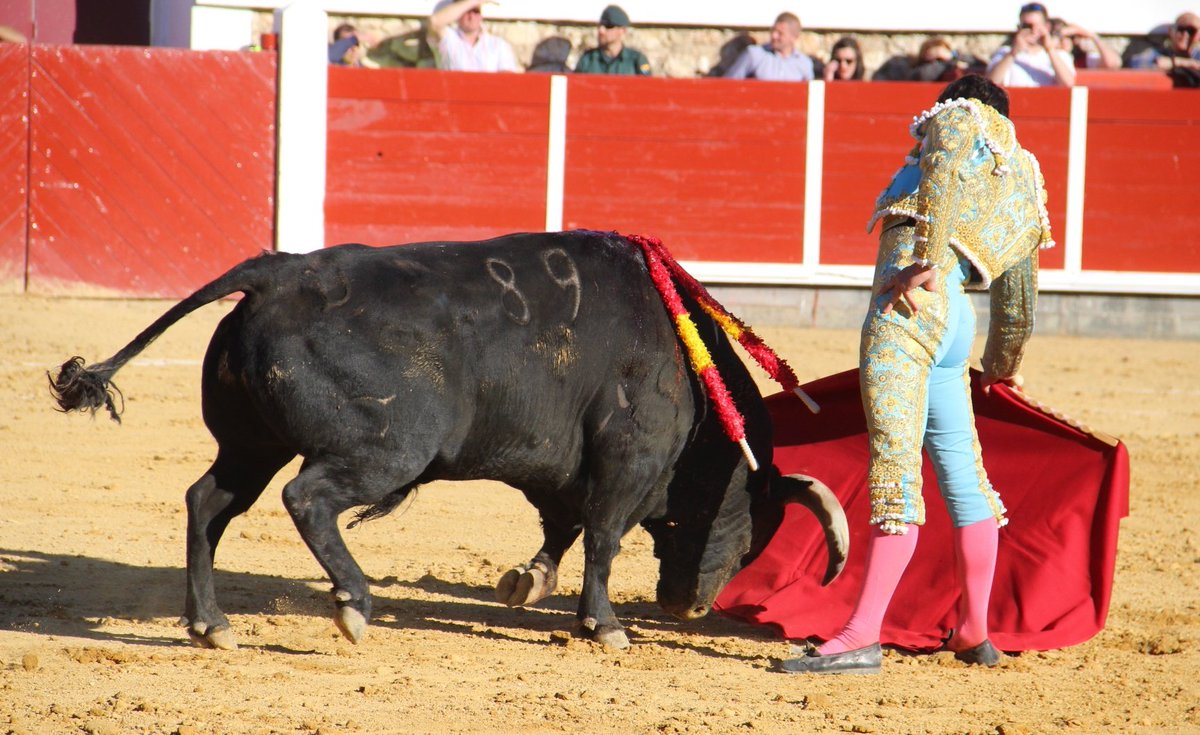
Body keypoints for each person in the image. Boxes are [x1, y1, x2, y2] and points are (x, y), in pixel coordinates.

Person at [781, 75, 1054, 675]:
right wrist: (998, 370)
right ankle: (975, 631)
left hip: (908, 307)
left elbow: (949, 151)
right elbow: (1018, 305)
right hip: (960, 328)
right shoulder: (1025, 179)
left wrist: (926, 260)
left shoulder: (958, 121)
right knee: (964, 477)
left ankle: (859, 636)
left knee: (894, 470)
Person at [987, 2, 1075, 87]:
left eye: (1036, 25)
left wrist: (1050, 49)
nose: (1032, 30)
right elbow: (991, 83)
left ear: (1047, 26)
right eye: (1027, 26)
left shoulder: (1060, 55)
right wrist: (1013, 53)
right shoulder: (1004, 53)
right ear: (1019, 27)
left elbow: (1068, 84)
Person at [427, 0, 518, 73]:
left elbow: (507, 80)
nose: (471, 16)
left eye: (475, 11)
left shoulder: (498, 45)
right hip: (453, 94)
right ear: (458, 14)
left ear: (481, 15)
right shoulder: (448, 39)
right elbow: (434, 22)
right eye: (467, 11)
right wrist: (473, 1)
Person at [722, 12, 814, 81]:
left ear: (794, 37)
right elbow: (729, 83)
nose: (774, 36)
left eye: (780, 33)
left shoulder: (804, 63)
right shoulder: (754, 55)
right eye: (773, 31)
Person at [574, 5, 651, 75]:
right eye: (600, 25)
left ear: (622, 30)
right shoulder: (588, 59)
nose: (601, 30)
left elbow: (648, 87)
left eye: (608, 26)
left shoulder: (635, 60)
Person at [1128, 12, 1200, 82]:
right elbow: (1134, 63)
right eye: (1181, 29)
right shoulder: (1158, 53)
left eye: (1191, 31)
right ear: (1171, 31)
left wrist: (1175, 63)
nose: (1185, 35)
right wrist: (1177, 62)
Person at [1049, 18, 1121, 69]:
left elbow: (1112, 64)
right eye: (1060, 37)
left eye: (1070, 37)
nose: (1064, 41)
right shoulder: (1044, 58)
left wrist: (1093, 36)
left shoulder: (1083, 59)